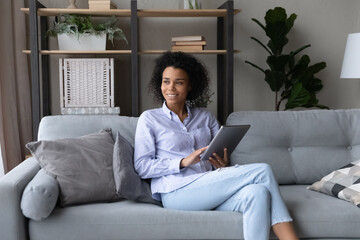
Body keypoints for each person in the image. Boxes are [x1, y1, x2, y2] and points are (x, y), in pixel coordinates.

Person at [134, 51, 299, 240]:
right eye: (166, 81)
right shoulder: (149, 119)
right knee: (263, 171)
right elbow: (142, 166)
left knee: (258, 193)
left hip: (210, 187)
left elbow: (215, 158)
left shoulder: (205, 117)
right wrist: (182, 162)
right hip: (176, 191)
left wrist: (222, 164)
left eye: (178, 82)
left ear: (190, 85)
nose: (170, 87)